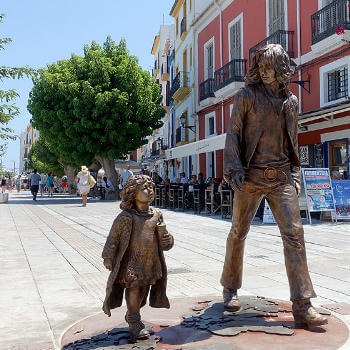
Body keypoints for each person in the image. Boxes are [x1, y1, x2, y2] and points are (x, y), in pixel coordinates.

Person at [221, 44, 327, 327]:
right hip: (251, 175)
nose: (266, 73)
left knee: (295, 235)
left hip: (281, 177)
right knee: (238, 232)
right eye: (262, 68)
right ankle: (229, 287)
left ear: (281, 70)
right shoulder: (246, 96)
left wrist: (295, 173)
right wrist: (234, 169)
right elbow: (233, 134)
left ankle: (303, 305)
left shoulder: (290, 101)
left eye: (271, 68)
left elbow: (293, 141)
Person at [102, 175, 174, 340]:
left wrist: (168, 239)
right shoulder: (126, 217)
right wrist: (108, 256)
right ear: (133, 193)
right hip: (132, 263)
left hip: (151, 261)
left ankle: (133, 313)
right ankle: (134, 320)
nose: (150, 191)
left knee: (144, 289)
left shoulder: (156, 215)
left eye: (151, 187)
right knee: (134, 288)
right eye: (144, 188)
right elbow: (113, 238)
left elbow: (166, 243)